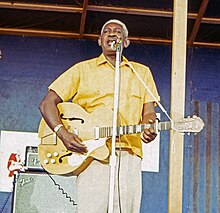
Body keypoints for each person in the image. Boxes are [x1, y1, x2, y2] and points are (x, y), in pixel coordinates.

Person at [39, 19, 160, 213]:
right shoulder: (82, 69)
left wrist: (149, 127)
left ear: (126, 42)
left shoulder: (141, 73)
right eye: (107, 31)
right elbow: (47, 103)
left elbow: (149, 113)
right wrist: (62, 133)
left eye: (118, 32)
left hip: (128, 155)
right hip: (93, 156)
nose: (112, 34)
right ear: (99, 40)